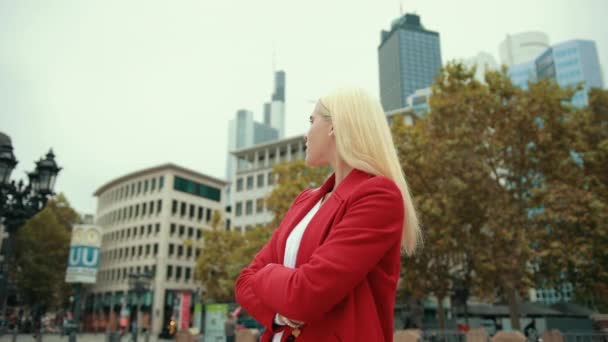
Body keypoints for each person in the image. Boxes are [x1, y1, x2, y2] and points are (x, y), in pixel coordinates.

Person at [235, 88, 421, 342]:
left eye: (312, 122)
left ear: (334, 126)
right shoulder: (305, 201)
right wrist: (279, 314)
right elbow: (243, 282)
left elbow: (304, 295)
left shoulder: (379, 196)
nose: (306, 134)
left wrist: (266, 273)